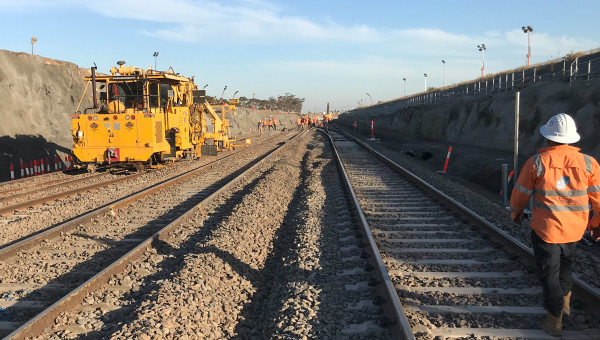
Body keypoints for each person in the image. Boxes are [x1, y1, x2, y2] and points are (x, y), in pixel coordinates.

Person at [510, 113, 600, 336]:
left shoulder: (537, 162)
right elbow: (598, 197)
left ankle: (554, 319)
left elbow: (521, 193)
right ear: (570, 138)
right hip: (574, 230)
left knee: (549, 273)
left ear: (548, 137)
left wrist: (517, 211)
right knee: (565, 269)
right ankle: (564, 305)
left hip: (546, 229)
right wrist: (597, 222)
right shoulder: (589, 163)